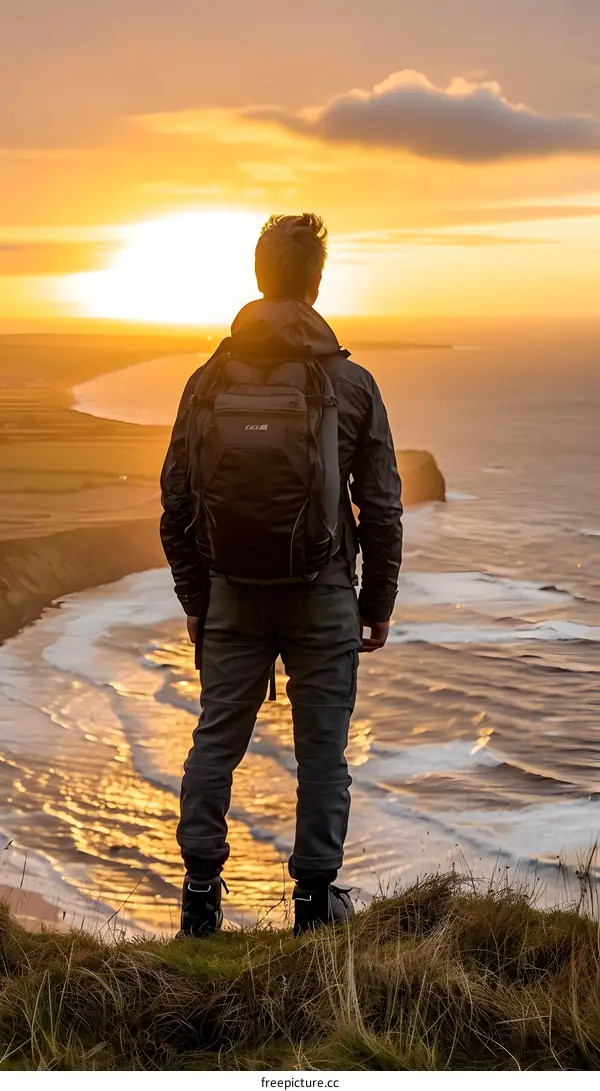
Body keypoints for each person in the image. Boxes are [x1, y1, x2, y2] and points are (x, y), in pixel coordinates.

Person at [160, 213, 402, 937]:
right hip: (323, 594)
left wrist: (197, 598)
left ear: (259, 276)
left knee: (215, 742)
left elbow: (175, 500)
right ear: (316, 283)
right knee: (323, 751)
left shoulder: (206, 381)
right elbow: (381, 505)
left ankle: (200, 895)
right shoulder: (351, 383)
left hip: (231, 592)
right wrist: (377, 602)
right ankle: (315, 902)